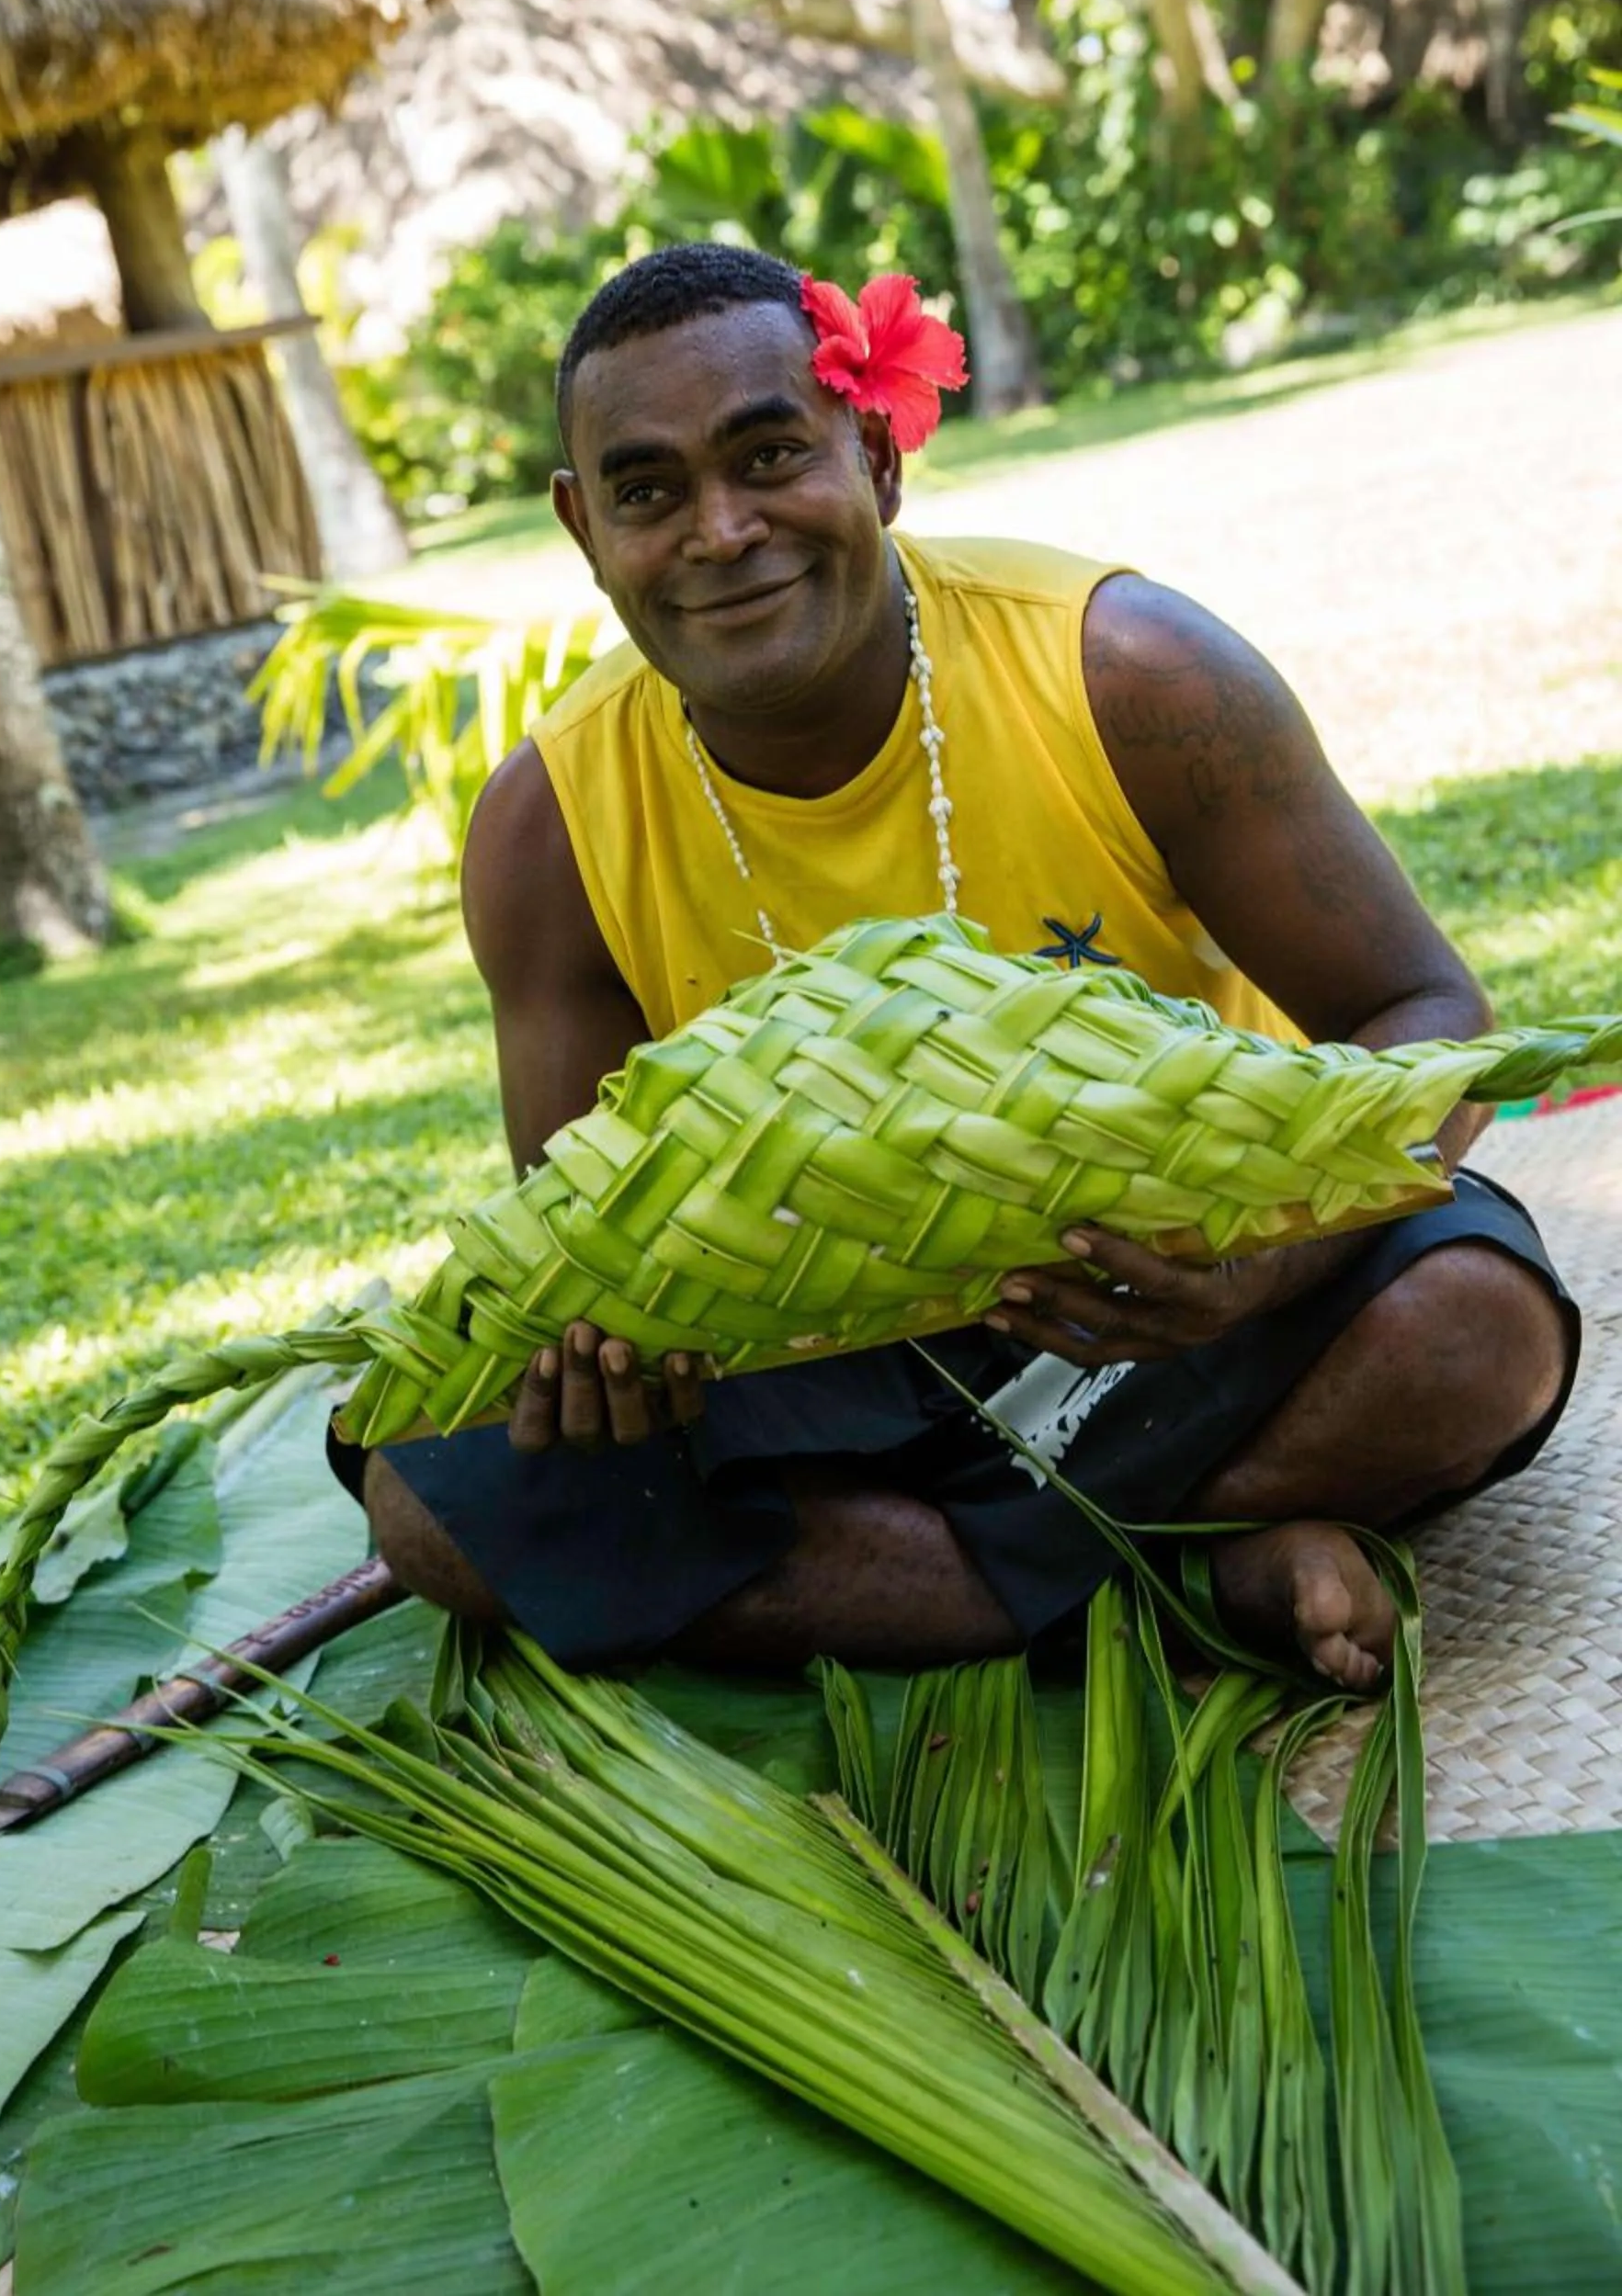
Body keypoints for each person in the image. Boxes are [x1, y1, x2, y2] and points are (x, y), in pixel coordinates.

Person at [336, 242, 1579, 1689]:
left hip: (1170, 1299)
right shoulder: (549, 824)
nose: (721, 531)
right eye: (649, 490)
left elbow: (1425, 1020)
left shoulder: (1129, 672)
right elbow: (585, 1225)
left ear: (876, 455)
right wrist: (606, 1368)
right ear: (581, 527)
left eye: (769, 455)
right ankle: (1180, 1583)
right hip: (820, 1347)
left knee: (1474, 1329)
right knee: (427, 1497)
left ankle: (949, 1580)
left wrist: (1249, 1267)